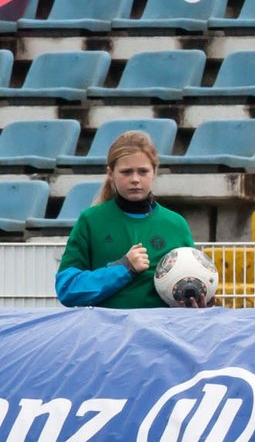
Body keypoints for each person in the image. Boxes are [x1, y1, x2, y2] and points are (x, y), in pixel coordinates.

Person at [56, 130, 209, 309]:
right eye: (126, 172)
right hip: (107, 334)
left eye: (143, 172)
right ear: (110, 173)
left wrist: (198, 300)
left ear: (154, 172)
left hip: (161, 333)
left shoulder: (176, 224)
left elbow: (193, 279)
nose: (135, 179)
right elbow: (67, 289)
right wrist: (124, 268)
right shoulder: (91, 220)